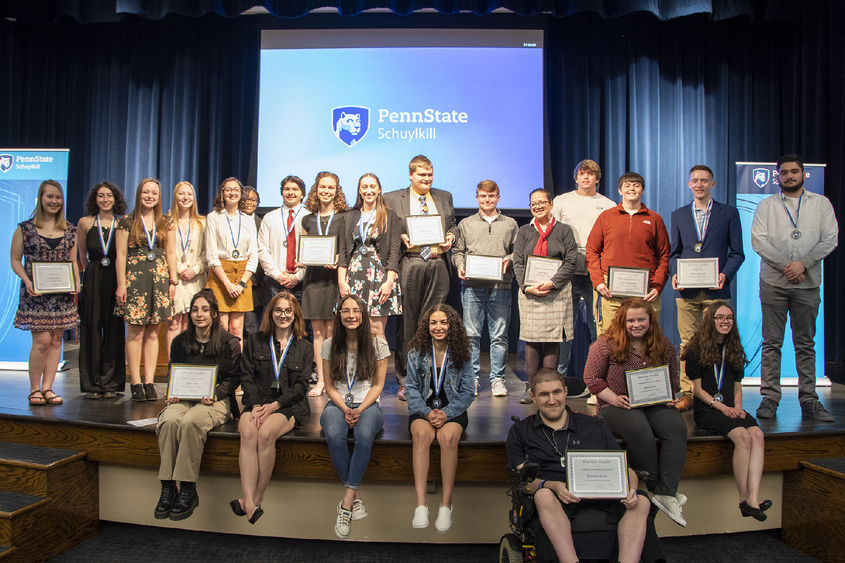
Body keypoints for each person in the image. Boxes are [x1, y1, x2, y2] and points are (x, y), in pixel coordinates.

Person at [506, 368, 650, 563]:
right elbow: (523, 483)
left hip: (602, 497)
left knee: (641, 501)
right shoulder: (521, 431)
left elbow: (626, 470)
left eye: (556, 392)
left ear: (565, 391)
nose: (552, 400)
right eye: (544, 394)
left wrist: (631, 489)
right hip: (557, 501)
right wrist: (552, 485)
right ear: (532, 396)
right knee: (543, 495)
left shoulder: (593, 425)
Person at [583, 298, 688, 527]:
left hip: (655, 404)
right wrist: (614, 398)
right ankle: (654, 487)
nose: (636, 324)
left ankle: (666, 493)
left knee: (676, 426)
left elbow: (672, 378)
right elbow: (592, 379)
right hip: (615, 406)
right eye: (631, 320)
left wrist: (670, 395)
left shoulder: (664, 344)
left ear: (650, 320)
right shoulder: (605, 344)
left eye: (642, 319)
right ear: (622, 320)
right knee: (639, 428)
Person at [751, 154, 839, 422]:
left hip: (808, 284)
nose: (789, 176)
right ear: (777, 176)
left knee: (805, 344)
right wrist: (787, 266)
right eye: (784, 173)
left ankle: (809, 400)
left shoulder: (821, 204)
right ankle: (770, 398)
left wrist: (803, 264)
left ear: (803, 174)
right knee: (771, 343)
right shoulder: (766, 205)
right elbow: (759, 241)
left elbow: (830, 239)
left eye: (794, 172)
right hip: (773, 284)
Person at [155, 290, 241, 521]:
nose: (199, 315)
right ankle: (167, 486)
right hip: (183, 399)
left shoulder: (229, 343)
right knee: (170, 420)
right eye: (195, 310)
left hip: (216, 400)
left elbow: (234, 379)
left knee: (192, 422)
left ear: (214, 313)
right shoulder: (180, 341)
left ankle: (187, 489)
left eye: (204, 310)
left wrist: (215, 393)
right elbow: (174, 371)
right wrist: (172, 392)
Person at [682, 301, 771, 521]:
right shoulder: (695, 348)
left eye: (729, 318)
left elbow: (737, 385)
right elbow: (697, 389)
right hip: (709, 409)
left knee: (757, 435)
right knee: (742, 437)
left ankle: (753, 498)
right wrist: (721, 407)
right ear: (710, 320)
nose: (725, 321)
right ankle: (743, 500)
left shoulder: (734, 346)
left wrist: (738, 409)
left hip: (731, 408)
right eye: (720, 317)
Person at [669, 165, 745, 412]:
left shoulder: (729, 213)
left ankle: (716, 390)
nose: (699, 184)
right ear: (689, 184)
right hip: (687, 291)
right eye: (695, 181)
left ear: (713, 184)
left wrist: (725, 274)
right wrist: (675, 273)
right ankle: (688, 392)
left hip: (717, 290)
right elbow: (674, 253)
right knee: (687, 343)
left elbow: (737, 253)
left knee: (718, 340)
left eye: (704, 180)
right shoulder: (679, 214)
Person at [234, 291, 312, 524]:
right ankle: (249, 501)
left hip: (288, 405)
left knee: (266, 433)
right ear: (271, 313)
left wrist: (274, 406)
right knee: (248, 432)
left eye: (288, 311)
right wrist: (257, 405)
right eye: (278, 310)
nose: (283, 315)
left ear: (296, 314)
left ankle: (256, 499)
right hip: (257, 402)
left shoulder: (304, 347)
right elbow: (246, 377)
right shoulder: (254, 340)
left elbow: (301, 386)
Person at [383, 155, 457, 401]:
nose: (427, 179)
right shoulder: (392, 199)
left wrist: (451, 238)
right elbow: (385, 229)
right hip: (411, 262)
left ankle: (431, 376)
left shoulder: (444, 196)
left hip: (437, 263)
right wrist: (399, 235)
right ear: (410, 175)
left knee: (434, 322)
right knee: (408, 323)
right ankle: (405, 380)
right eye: (421, 175)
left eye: (430, 175)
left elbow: (453, 225)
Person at [320, 295, 389, 538]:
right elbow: (329, 387)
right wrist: (345, 408)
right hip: (337, 403)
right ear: (339, 314)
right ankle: (356, 497)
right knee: (334, 433)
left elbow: (378, 385)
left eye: (356, 310)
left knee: (364, 435)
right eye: (346, 310)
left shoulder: (378, 344)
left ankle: (347, 502)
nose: (351, 315)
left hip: (368, 403)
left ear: (363, 314)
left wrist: (359, 409)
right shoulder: (329, 344)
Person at [406, 304, 474, 532]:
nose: (438, 327)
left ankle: (446, 504)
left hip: (452, 410)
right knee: (421, 435)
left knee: (448, 439)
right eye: (433, 322)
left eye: (443, 322)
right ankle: (421, 505)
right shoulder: (416, 353)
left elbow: (467, 392)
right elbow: (411, 390)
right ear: (427, 326)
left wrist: (447, 413)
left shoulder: (462, 353)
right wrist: (427, 413)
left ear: (452, 325)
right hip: (423, 410)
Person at [11, 180, 81, 406]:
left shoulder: (70, 230)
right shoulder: (25, 228)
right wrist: (26, 280)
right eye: (50, 196)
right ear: (41, 199)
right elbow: (14, 260)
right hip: (36, 295)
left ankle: (48, 388)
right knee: (41, 341)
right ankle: (34, 389)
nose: (54, 201)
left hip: (62, 295)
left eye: (58, 197)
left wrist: (76, 283)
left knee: (56, 340)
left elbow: (73, 262)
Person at [452, 179, 518, 397]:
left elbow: (517, 253)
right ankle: (472, 379)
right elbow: (457, 252)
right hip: (471, 286)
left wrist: (506, 260)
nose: (487, 200)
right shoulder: (466, 224)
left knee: (499, 335)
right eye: (483, 196)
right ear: (477, 197)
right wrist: (460, 266)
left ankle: (498, 379)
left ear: (498, 197)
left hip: (501, 285)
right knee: (471, 335)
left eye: (491, 196)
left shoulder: (510, 224)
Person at [551, 159, 615, 379]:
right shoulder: (561, 201)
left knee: (597, 326)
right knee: (564, 327)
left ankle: (596, 380)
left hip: (595, 270)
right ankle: (559, 378)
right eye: (582, 174)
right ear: (576, 177)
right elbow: (553, 233)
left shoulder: (608, 205)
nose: (586, 177)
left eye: (591, 174)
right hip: (567, 268)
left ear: (597, 178)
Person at [114, 178, 177, 402]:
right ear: (139, 193)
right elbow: (120, 255)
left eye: (154, 193)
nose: (150, 196)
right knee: (135, 333)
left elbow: (170, 253)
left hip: (159, 281)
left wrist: (173, 280)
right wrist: (121, 284)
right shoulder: (126, 222)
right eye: (146, 192)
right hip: (135, 281)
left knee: (153, 332)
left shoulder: (166, 222)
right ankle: (136, 382)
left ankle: (150, 382)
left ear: (159, 197)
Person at [512, 188, 577, 404]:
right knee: (531, 339)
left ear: (551, 204)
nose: (537, 206)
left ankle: (549, 388)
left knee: (552, 340)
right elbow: (518, 262)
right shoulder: (524, 231)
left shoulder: (564, 230)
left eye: (542, 202)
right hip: (530, 292)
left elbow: (571, 262)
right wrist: (525, 286)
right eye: (533, 203)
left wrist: (552, 283)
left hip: (556, 292)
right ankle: (532, 388)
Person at [585, 172, 670, 335]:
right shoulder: (606, 217)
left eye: (636, 185)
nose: (632, 188)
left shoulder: (654, 219)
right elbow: (592, 250)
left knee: (647, 341)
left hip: (645, 291)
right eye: (628, 185)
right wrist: (598, 282)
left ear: (642, 191)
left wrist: (657, 286)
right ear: (620, 190)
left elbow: (665, 256)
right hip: (609, 290)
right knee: (608, 340)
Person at [76, 181, 127, 399]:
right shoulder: (85, 223)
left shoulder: (123, 223)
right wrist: (88, 276)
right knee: (92, 328)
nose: (105, 199)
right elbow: (82, 255)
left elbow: (124, 254)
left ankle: (111, 382)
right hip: (94, 277)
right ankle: (92, 384)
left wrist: (122, 283)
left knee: (114, 329)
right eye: (100, 196)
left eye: (109, 196)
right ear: (94, 200)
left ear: (116, 199)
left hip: (116, 279)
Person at [337, 173, 402, 339]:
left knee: (376, 330)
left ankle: (376, 366)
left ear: (379, 190)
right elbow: (343, 252)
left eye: (372, 186)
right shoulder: (349, 216)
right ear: (359, 190)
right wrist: (341, 281)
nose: (368, 190)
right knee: (352, 330)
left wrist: (389, 282)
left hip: (379, 278)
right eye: (364, 187)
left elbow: (395, 252)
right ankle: (355, 366)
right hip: (353, 277)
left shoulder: (390, 216)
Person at [300, 172, 348, 396]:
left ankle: (334, 380)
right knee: (317, 333)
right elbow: (302, 247)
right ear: (316, 189)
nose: (326, 191)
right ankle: (320, 380)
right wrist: (302, 257)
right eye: (322, 187)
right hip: (313, 280)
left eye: (331, 188)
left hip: (333, 281)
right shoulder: (308, 219)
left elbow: (348, 249)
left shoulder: (344, 217)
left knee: (333, 333)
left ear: (336, 190)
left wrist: (339, 258)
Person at [205, 177, 258, 347]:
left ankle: (236, 370)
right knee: (221, 325)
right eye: (228, 189)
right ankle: (220, 368)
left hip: (242, 275)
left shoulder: (248, 219)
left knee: (237, 327)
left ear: (241, 194)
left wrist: (242, 283)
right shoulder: (213, 217)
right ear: (222, 193)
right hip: (221, 275)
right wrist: (227, 284)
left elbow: (254, 254)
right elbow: (211, 255)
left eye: (236, 189)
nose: (232, 193)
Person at [166, 181, 207, 357]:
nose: (185, 197)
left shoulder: (202, 223)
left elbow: (208, 253)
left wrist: (195, 269)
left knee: (192, 323)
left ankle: (191, 363)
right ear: (175, 196)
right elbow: (165, 252)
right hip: (175, 280)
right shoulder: (166, 222)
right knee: (174, 324)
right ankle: (173, 366)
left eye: (189, 194)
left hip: (196, 280)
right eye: (181, 194)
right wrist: (179, 270)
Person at [257, 175, 310, 302]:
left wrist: (298, 277)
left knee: (300, 321)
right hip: (274, 281)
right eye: (287, 189)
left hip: (302, 281)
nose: (290, 192)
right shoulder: (269, 217)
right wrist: (277, 275)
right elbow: (262, 249)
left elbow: (313, 252)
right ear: (282, 192)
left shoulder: (310, 217)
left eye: (295, 189)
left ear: (302, 194)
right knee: (274, 320)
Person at [240, 186, 264, 336]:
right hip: (233, 280)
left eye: (253, 199)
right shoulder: (231, 221)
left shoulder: (261, 222)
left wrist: (253, 278)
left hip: (255, 284)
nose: (249, 202)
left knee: (252, 327)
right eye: (245, 199)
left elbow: (264, 252)